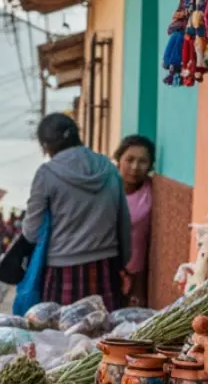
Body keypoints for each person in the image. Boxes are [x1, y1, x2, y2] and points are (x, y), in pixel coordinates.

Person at [22, 113, 132, 309]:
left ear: (46, 145)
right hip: (106, 266)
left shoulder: (47, 174)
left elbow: (32, 231)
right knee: (104, 326)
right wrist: (122, 262)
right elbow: (123, 221)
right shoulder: (108, 168)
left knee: (60, 327)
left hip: (61, 269)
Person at [115, 135, 156, 307]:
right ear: (118, 160)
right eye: (129, 160)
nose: (135, 167)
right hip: (108, 269)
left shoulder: (151, 190)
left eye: (142, 161)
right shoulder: (107, 188)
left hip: (138, 273)